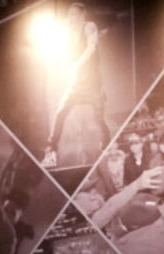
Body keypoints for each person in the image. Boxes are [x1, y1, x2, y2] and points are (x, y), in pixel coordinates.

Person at [41, 2, 109, 168]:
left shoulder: (89, 26)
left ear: (81, 15)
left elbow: (91, 47)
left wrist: (76, 64)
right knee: (60, 114)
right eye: (69, 15)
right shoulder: (67, 32)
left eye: (74, 14)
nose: (70, 18)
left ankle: (106, 147)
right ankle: (51, 153)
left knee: (99, 120)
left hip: (93, 87)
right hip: (75, 87)